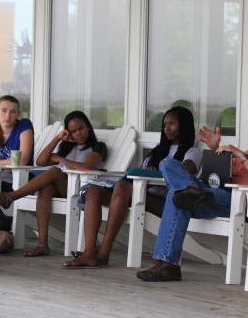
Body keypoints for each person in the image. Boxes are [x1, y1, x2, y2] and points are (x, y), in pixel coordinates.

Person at [64, 106, 201, 268]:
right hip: (140, 194)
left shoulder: (192, 151)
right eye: (164, 125)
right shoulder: (158, 151)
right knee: (94, 192)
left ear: (184, 125)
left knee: (122, 187)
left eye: (172, 124)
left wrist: (157, 173)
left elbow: (186, 171)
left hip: (165, 201)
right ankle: (89, 252)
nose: (167, 128)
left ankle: (103, 252)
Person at [136, 123, 248, 281]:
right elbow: (220, 173)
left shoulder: (246, 154)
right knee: (167, 164)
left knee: (177, 196)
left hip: (236, 201)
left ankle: (168, 264)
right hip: (211, 194)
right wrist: (216, 150)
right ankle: (191, 190)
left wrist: (237, 152)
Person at [0, 110, 107, 257]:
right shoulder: (67, 147)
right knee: (46, 189)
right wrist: (57, 139)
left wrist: (61, 160)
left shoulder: (98, 146)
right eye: (73, 131)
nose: (78, 133)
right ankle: (42, 245)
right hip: (64, 187)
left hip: (82, 189)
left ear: (88, 127)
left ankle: (11, 196)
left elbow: (87, 167)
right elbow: (40, 161)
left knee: (55, 171)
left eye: (81, 129)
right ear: (68, 133)